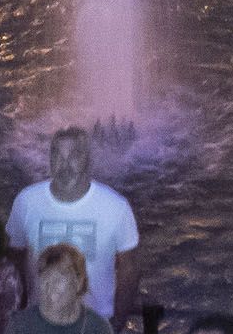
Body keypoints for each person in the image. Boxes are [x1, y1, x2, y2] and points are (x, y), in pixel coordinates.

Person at [8, 127, 141, 320]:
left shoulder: (115, 207)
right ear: (50, 160)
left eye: (74, 156)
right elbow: (14, 260)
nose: (65, 165)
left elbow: (130, 269)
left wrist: (115, 323)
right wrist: (23, 311)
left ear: (88, 160)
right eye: (58, 156)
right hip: (40, 324)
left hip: (94, 324)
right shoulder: (26, 202)